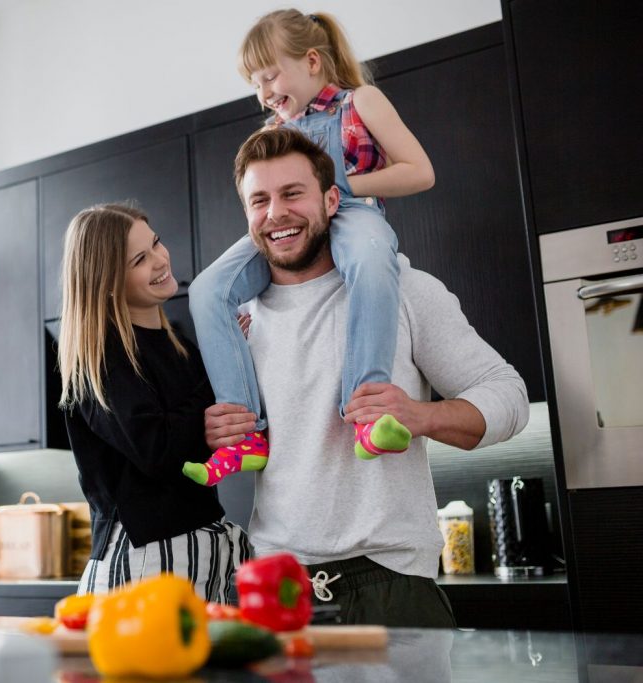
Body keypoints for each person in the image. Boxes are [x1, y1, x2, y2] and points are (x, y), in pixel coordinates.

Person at [205, 125, 529, 627]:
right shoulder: (239, 320)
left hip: (391, 583)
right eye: (259, 200)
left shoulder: (406, 290)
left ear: (332, 199)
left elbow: (509, 396)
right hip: (273, 585)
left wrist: (419, 415)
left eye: (293, 193)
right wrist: (218, 431)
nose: (276, 214)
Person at [184, 9, 435, 486]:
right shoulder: (269, 135)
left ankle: (366, 413)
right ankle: (248, 436)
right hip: (289, 228)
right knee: (207, 289)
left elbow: (420, 171)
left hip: (355, 212)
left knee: (368, 259)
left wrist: (336, 187)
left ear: (313, 61)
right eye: (255, 84)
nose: (263, 93)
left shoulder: (361, 101)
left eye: (270, 76)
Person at [57, 202, 252, 601]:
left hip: (196, 553)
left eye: (156, 243)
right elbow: (157, 451)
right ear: (108, 281)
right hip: (145, 564)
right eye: (140, 259)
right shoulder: (98, 358)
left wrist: (230, 353)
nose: (161, 259)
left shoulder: (179, 344)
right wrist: (219, 374)